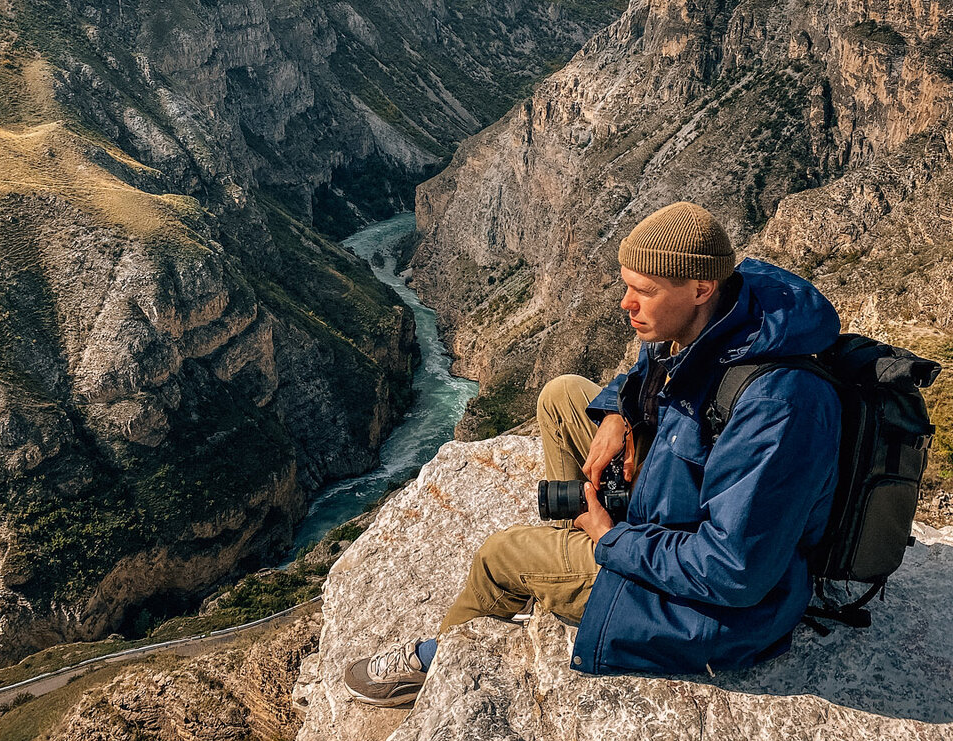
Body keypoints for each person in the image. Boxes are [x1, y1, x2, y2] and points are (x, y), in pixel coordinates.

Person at [344, 201, 841, 706]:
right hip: (673, 497)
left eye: (643, 291)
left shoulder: (777, 405)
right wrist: (617, 414)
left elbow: (735, 570)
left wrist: (610, 539)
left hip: (707, 600)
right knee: (561, 396)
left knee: (501, 556)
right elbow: (653, 379)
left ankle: (441, 663)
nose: (626, 303)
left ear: (700, 288)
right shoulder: (708, 319)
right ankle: (565, 555)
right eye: (626, 285)